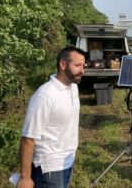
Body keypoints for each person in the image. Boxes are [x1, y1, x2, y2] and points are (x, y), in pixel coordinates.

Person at [17, 47, 86, 188]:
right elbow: (28, 138)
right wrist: (25, 178)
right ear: (62, 64)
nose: (82, 70)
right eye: (77, 65)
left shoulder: (73, 88)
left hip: (67, 161)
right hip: (49, 169)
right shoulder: (45, 96)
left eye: (83, 66)